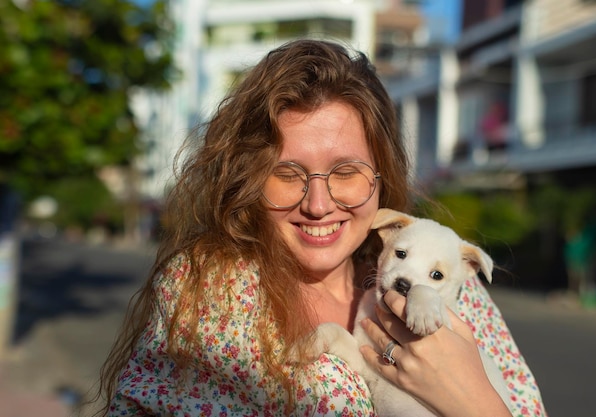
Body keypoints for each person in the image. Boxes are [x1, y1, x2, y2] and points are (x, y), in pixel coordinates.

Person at [97, 39, 546, 417]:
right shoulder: (210, 295)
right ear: (249, 181)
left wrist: (474, 399)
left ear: (381, 177)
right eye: (288, 174)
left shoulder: (461, 296)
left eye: (346, 172)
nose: (317, 205)